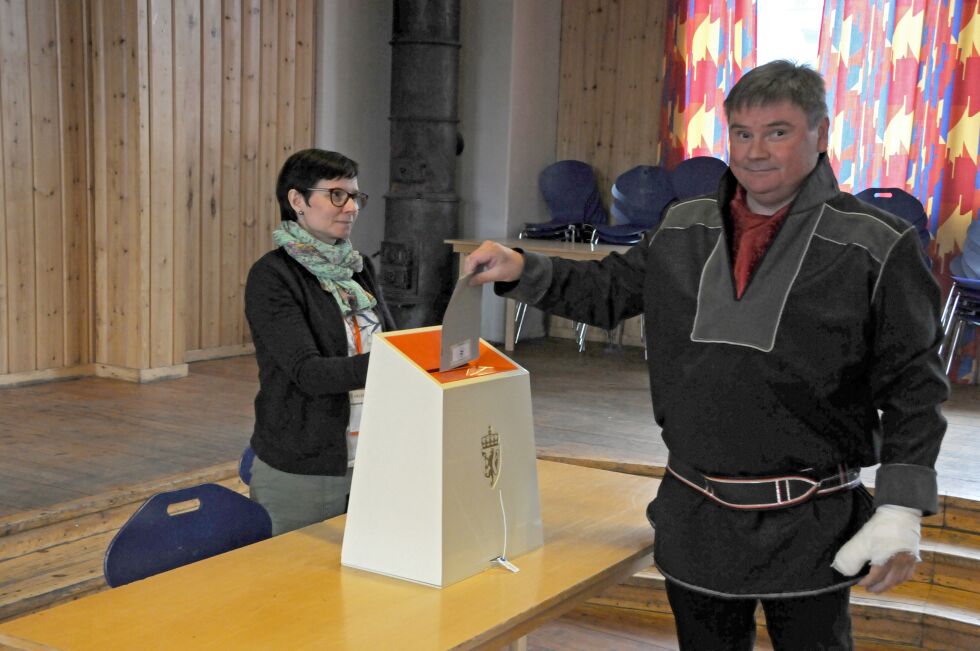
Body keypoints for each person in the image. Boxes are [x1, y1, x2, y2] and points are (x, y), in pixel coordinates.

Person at [464, 61, 948, 649]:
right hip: (696, 514)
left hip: (812, 521)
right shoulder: (681, 226)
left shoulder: (878, 243)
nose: (755, 151)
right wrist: (525, 268)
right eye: (742, 133)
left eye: (777, 131)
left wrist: (900, 508)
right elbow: (609, 291)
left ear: (820, 133)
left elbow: (914, 388)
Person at [244, 149, 395, 536]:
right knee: (294, 591)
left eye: (355, 197)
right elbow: (308, 373)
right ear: (297, 201)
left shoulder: (359, 269)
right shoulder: (273, 275)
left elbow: (385, 340)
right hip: (306, 463)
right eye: (337, 195)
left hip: (374, 458)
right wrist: (398, 361)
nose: (351, 208)